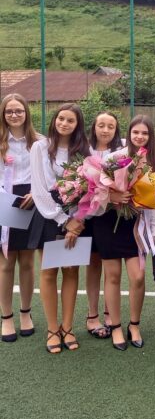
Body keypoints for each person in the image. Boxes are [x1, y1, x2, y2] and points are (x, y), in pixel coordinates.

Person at [94, 114, 155, 351]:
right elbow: (95, 192)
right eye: (136, 132)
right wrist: (112, 196)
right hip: (109, 222)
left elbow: (154, 203)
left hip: (135, 226)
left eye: (145, 133)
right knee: (112, 276)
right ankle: (116, 327)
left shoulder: (152, 164)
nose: (140, 136)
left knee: (138, 277)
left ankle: (134, 325)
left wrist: (153, 232)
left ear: (150, 136)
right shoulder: (114, 158)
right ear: (129, 134)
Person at [31, 103, 90, 353]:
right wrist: (64, 220)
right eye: (61, 118)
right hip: (49, 215)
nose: (64, 124)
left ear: (77, 125)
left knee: (71, 271)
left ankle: (67, 327)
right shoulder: (40, 147)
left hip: (77, 216)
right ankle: (52, 329)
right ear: (55, 119)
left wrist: (77, 221)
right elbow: (39, 189)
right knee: (48, 273)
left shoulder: (84, 150)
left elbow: (91, 189)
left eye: (70, 120)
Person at [0, 94, 41, 343]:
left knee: (27, 262)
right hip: (4, 202)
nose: (14, 115)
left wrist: (36, 193)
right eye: (9, 111)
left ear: (26, 113)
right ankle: (6, 317)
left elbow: (45, 175)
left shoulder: (39, 142)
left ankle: (26, 313)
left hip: (30, 201)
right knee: (6, 264)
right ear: (3, 115)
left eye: (19, 111)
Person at [85, 111, 123, 339]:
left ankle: (110, 312)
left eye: (110, 126)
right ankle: (92, 315)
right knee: (93, 265)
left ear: (116, 129)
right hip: (87, 216)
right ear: (94, 127)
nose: (105, 130)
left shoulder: (121, 153)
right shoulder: (82, 150)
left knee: (111, 266)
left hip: (111, 216)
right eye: (101, 125)